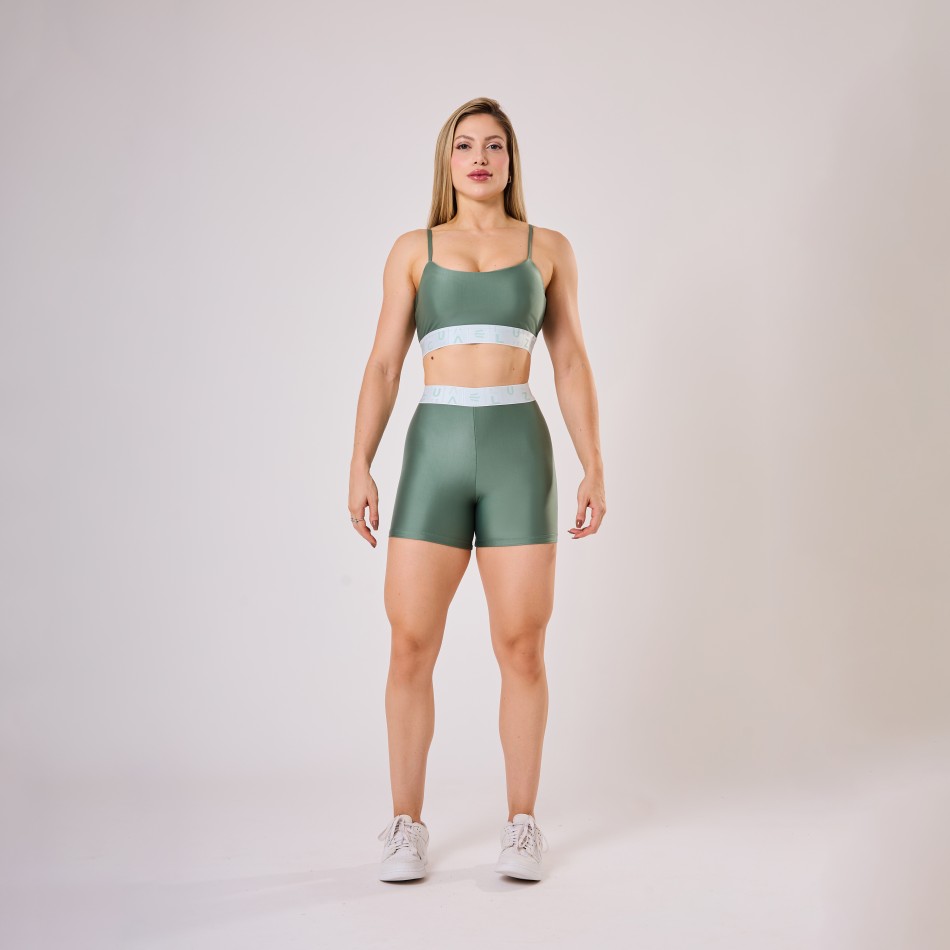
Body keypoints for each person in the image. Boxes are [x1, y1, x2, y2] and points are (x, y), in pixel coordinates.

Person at [348, 97, 606, 883]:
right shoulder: (414, 250)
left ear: (511, 159)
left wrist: (595, 463)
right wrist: (359, 462)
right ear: (448, 160)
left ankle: (522, 824)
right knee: (409, 644)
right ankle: (405, 825)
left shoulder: (549, 248)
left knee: (522, 645)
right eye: (466, 145)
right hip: (434, 453)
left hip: (516, 454)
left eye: (495, 145)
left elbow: (570, 361)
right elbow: (384, 364)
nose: (481, 158)